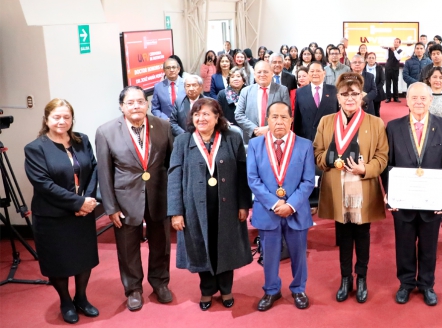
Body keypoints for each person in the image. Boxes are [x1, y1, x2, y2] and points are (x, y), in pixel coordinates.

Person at [167, 98, 252, 311]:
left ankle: (225, 288)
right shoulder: (183, 141)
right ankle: (206, 289)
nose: (201, 118)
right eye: (197, 114)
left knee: (226, 246)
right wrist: (176, 211)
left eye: (206, 114)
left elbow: (243, 174)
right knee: (200, 247)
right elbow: (174, 177)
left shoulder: (232, 138)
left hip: (228, 207)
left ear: (217, 117)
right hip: (194, 208)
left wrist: (244, 204)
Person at [95, 86, 175, 311]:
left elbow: (171, 166)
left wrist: (174, 200)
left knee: (161, 244)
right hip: (125, 200)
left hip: (159, 196)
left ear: (147, 104)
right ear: (121, 106)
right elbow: (104, 173)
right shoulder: (106, 132)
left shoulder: (163, 126)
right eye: (130, 103)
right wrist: (110, 207)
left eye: (140, 101)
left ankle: (160, 283)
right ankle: (133, 289)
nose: (136, 106)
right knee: (128, 248)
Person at [313, 73, 388, 304]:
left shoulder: (375, 122)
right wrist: (330, 158)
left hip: (363, 188)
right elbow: (317, 154)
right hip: (337, 188)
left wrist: (366, 169)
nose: (349, 98)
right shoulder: (326, 121)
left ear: (362, 96)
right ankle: (346, 278)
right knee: (343, 235)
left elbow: (382, 157)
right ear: (337, 97)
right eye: (345, 94)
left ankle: (362, 277)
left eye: (354, 93)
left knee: (363, 235)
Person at [380, 82, 442, 306]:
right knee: (403, 244)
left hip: (432, 200)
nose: (419, 102)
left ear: (431, 100)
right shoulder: (393, 127)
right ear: (407, 101)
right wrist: (389, 193)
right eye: (414, 98)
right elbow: (387, 165)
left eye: (424, 98)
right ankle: (405, 283)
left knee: (429, 246)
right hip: (403, 199)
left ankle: (426, 284)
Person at [24, 99, 99, 324]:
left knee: (84, 259)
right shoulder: (35, 148)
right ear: (46, 119)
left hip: (83, 214)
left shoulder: (81, 140)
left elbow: (94, 168)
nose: (62, 121)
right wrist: (78, 203)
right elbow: (43, 184)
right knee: (58, 262)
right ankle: (66, 301)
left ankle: (82, 298)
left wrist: (89, 201)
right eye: (56, 117)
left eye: (66, 117)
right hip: (52, 217)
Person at [248, 101, 316, 311]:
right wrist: (275, 203)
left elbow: (308, 181)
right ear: (267, 120)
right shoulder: (256, 145)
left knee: (299, 255)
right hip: (268, 211)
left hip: (296, 211)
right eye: (274, 117)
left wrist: (292, 204)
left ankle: (298, 289)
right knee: (269, 255)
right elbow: (253, 179)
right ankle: (271, 290)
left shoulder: (304, 145)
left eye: (284, 117)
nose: (279, 122)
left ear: (291, 120)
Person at [235, 61, 291, 144]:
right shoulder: (245, 91)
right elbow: (238, 114)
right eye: (259, 72)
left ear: (272, 73)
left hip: (275, 137)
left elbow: (287, 115)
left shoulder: (282, 90)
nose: (262, 75)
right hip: (251, 138)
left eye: (265, 72)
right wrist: (255, 129)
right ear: (254, 74)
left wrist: (268, 128)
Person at [294, 62, 339, 141]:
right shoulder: (300, 92)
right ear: (308, 73)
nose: (315, 73)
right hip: (307, 138)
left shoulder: (334, 90)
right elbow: (297, 119)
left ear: (324, 73)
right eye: (312, 71)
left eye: (318, 71)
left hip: (330, 138)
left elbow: (339, 115)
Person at [365, 52, 386, 117]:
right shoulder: (363, 68)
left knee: (376, 111)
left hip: (377, 92)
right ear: (366, 59)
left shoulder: (379, 68)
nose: (371, 59)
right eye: (369, 58)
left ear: (375, 59)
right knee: (366, 110)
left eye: (373, 58)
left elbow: (382, 81)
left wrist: (375, 90)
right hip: (365, 93)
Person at [384, 38, 404, 103]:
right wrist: (387, 50)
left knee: (395, 83)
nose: (395, 43)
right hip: (388, 68)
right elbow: (386, 58)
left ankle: (396, 98)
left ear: (399, 43)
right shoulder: (389, 49)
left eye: (397, 42)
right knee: (388, 83)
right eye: (395, 42)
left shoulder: (401, 50)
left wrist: (394, 51)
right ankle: (388, 98)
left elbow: (398, 58)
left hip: (395, 69)